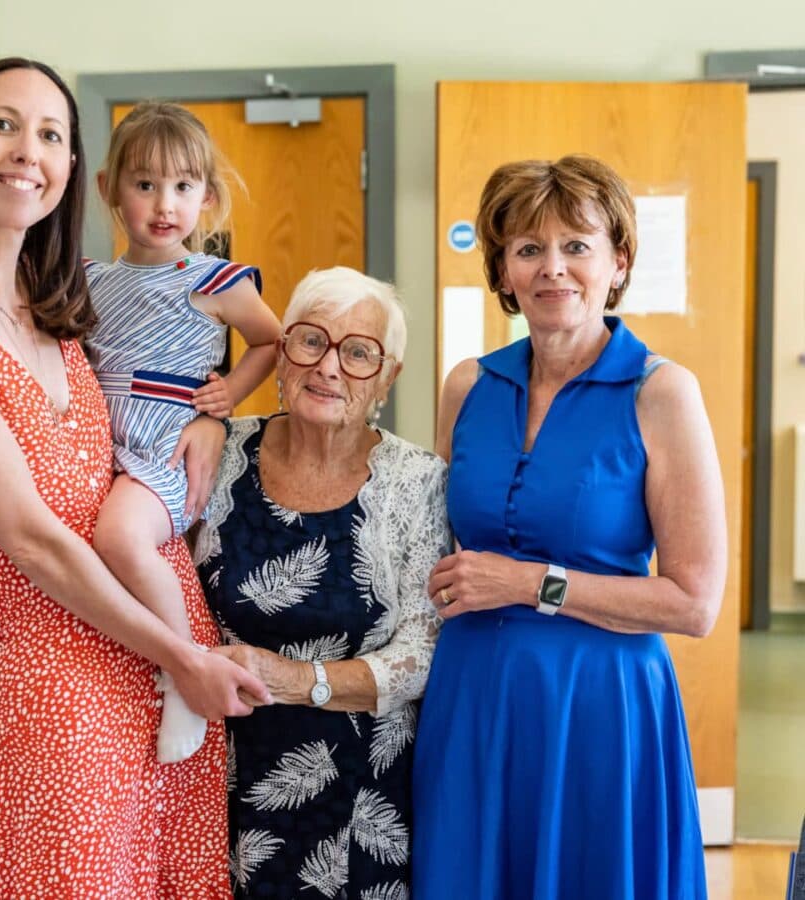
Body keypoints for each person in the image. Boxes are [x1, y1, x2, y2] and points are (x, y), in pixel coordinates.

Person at [0, 57, 269, 897]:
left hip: (166, 648)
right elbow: (21, 531)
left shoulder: (56, 305)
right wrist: (185, 661)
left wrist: (210, 412)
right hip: (72, 680)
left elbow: (138, 426)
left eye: (50, 132)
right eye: (4, 124)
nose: (29, 151)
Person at [411, 155, 725, 899]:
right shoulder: (468, 384)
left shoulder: (663, 393)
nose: (553, 268)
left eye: (576, 246)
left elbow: (694, 603)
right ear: (505, 272)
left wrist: (529, 583)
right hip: (474, 696)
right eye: (529, 250)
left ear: (617, 262)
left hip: (600, 704)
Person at [194, 267, 451, 898]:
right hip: (215, 775)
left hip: (364, 794)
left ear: (386, 378)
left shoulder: (418, 481)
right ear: (282, 353)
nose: (329, 367)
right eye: (311, 340)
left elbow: (422, 655)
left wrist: (297, 680)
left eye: (359, 353)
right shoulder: (217, 451)